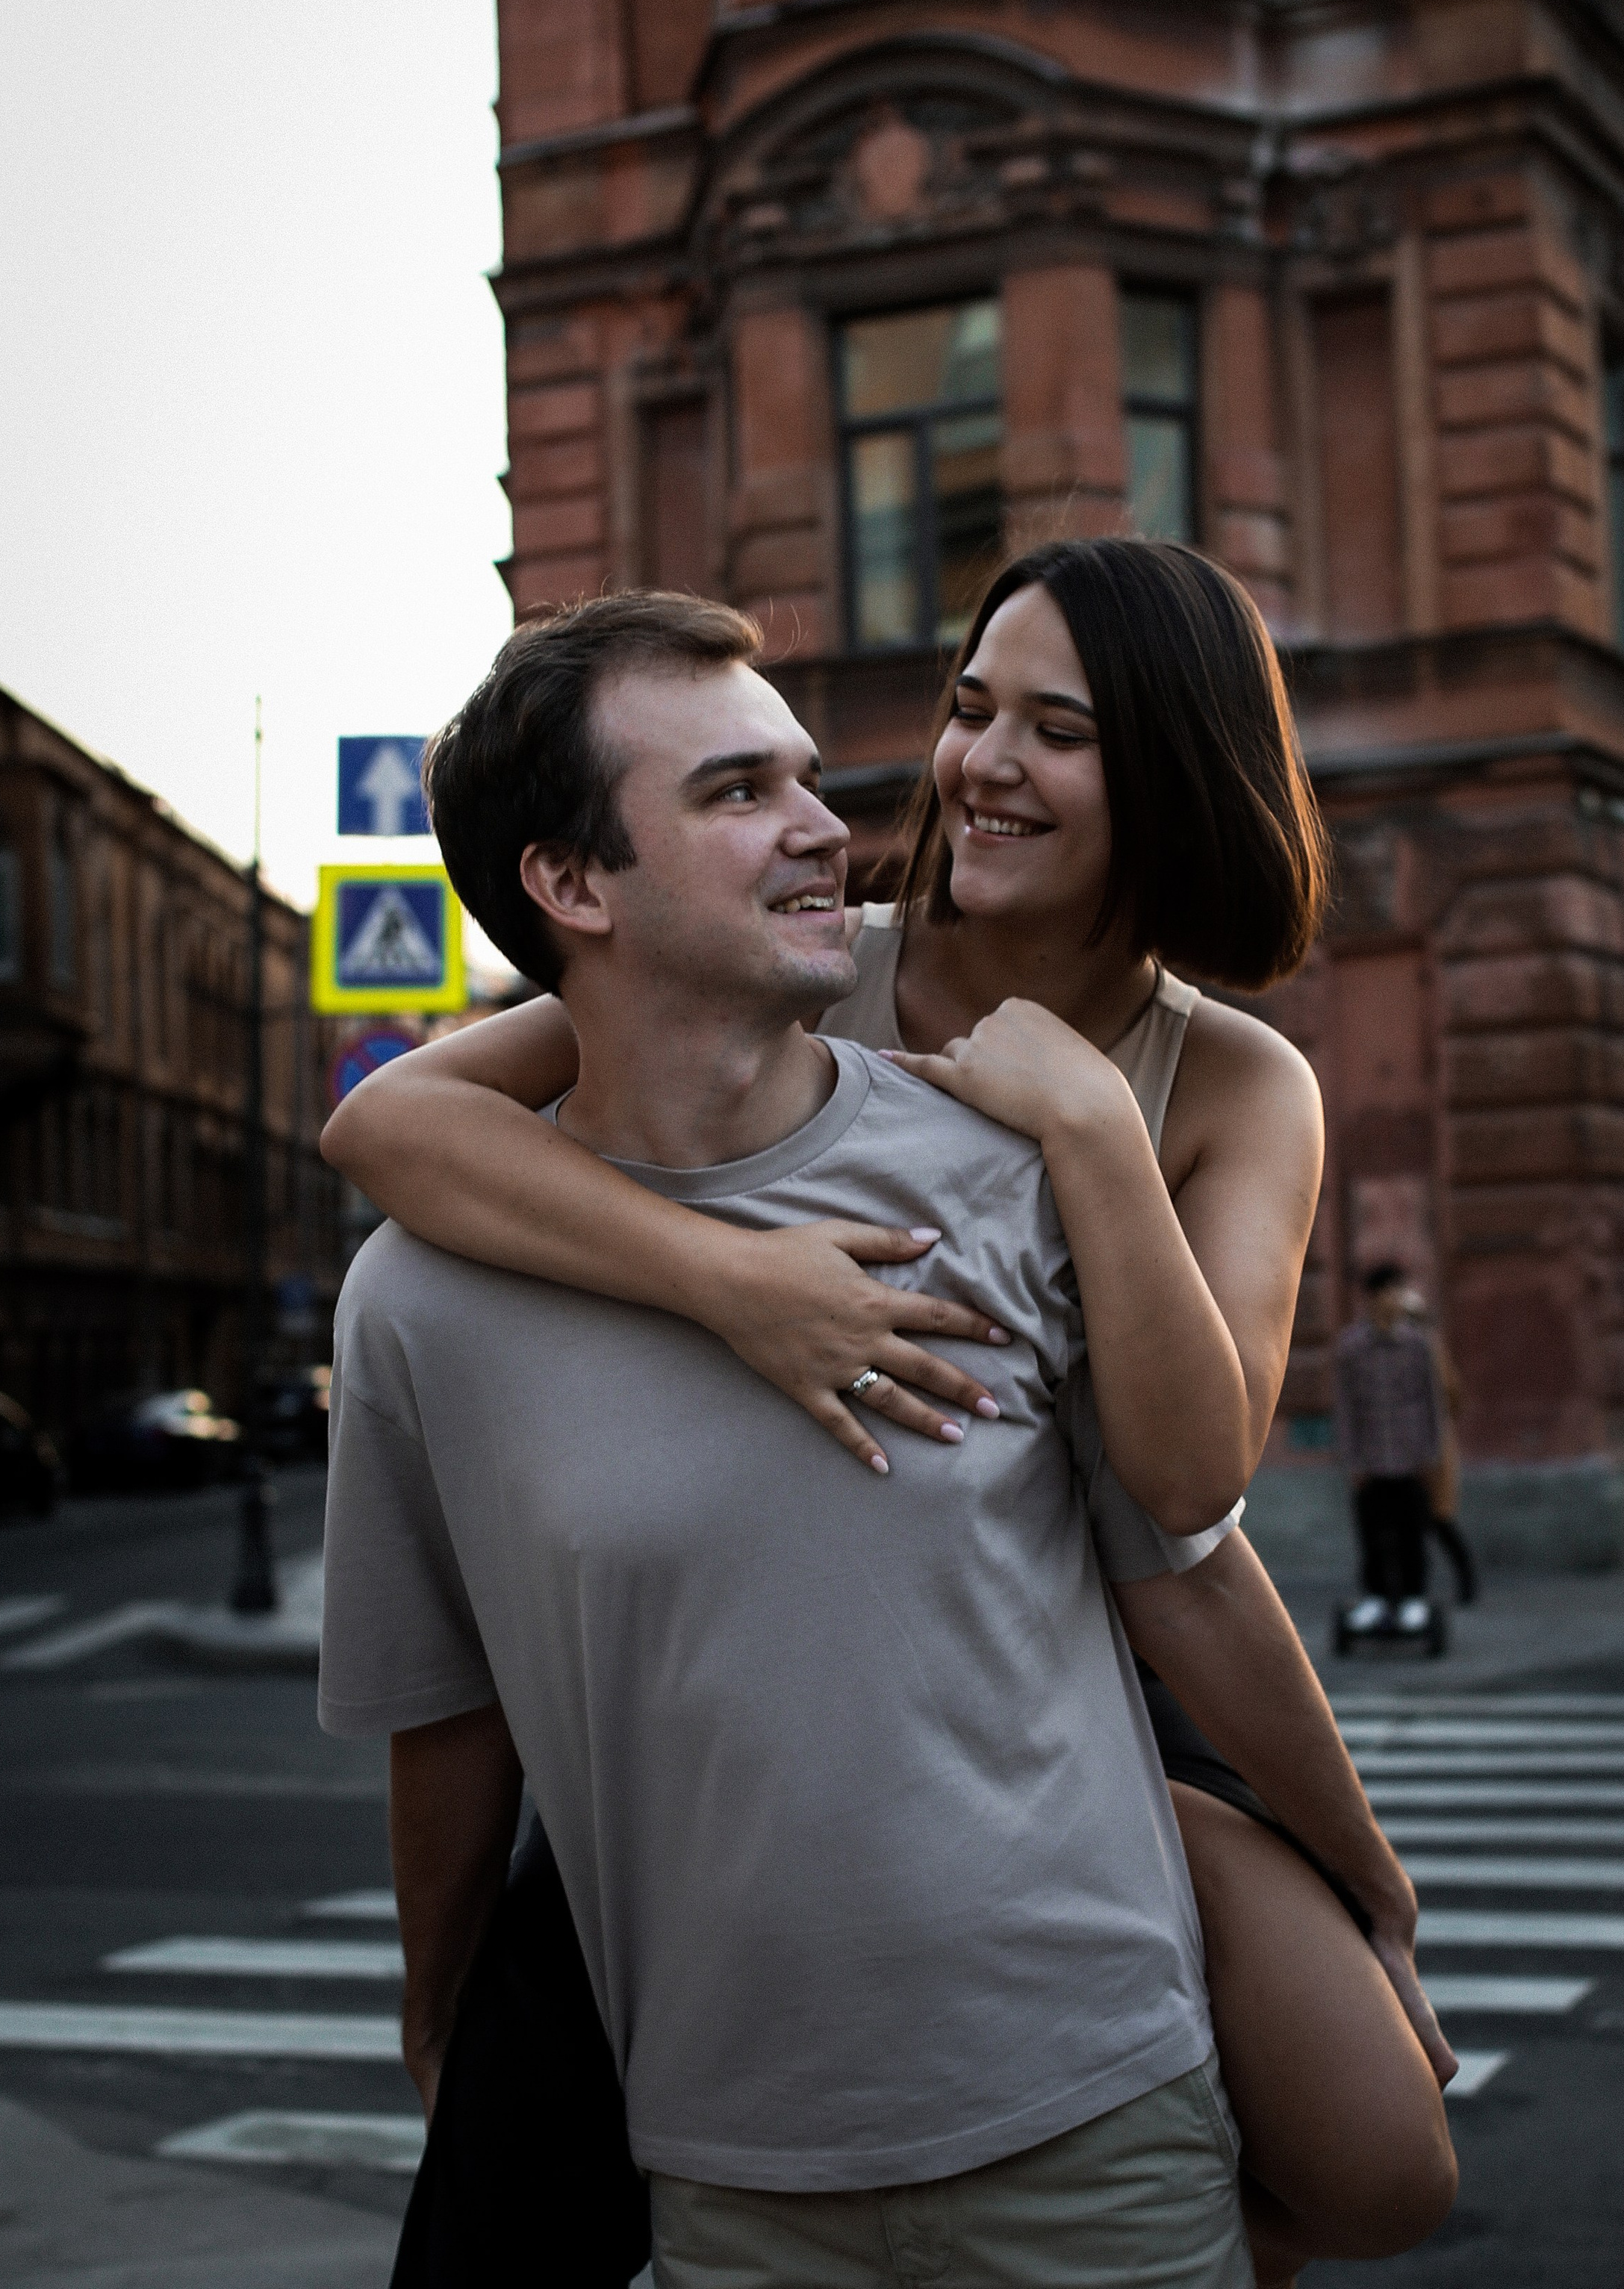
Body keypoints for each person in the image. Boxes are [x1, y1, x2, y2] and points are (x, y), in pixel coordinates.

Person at [326, 544, 1459, 2288]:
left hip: (1092, 1652)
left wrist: (1087, 1128)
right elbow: (389, 1132)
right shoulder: (801, 950)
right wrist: (734, 1281)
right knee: (501, 2193)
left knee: (1381, 2161)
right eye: (966, 707)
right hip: (711, 1742)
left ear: (1165, 764)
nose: (968, 764)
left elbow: (1185, 1498)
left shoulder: (1222, 1078)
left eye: (1056, 728)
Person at [1335, 1265, 1446, 1638]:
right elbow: (1345, 1407)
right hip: (1370, 1458)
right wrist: (1351, 1461)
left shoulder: (1417, 1344)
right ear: (1375, 1296)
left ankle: (1415, 1596)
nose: (1399, 1300)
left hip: (1410, 1456)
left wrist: (1432, 1453)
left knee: (1412, 1530)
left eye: (1403, 1291)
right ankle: (1376, 1597)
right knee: (1371, 1531)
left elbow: (1432, 1399)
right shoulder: (1351, 1347)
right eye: (1392, 1291)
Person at [1404, 1289, 1478, 1606]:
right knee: (1431, 1520)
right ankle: (1446, 1585)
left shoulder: (1425, 1349)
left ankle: (1452, 1584)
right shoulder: (1426, 1346)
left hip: (1430, 1449)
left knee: (1436, 1519)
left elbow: (1450, 1394)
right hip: (1424, 1446)